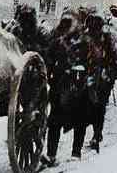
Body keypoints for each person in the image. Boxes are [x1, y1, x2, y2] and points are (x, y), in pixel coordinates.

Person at [73, 8, 117, 155]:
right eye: (91, 26)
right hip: (87, 78)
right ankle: (76, 150)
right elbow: (76, 55)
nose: (93, 29)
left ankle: (97, 135)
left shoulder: (109, 37)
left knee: (99, 108)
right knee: (81, 112)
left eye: (96, 26)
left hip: (104, 78)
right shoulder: (84, 37)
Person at [43, 9, 82, 167]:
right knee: (54, 120)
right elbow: (48, 57)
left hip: (78, 84)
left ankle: (76, 152)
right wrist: (49, 73)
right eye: (64, 22)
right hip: (58, 84)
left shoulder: (83, 38)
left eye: (69, 23)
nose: (66, 26)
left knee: (79, 118)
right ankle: (51, 155)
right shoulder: (55, 37)